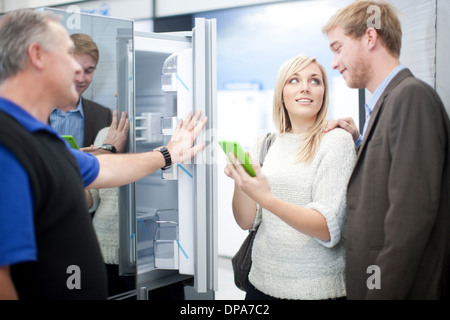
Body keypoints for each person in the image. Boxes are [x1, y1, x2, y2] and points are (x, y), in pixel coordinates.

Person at [0, 9, 207, 300]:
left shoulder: (40, 141)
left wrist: (168, 153)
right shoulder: (7, 144)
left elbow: (103, 170)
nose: (79, 71)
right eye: (69, 54)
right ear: (37, 55)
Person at [322, 0, 450, 299]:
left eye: (338, 48)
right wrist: (359, 142)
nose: (334, 63)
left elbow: (411, 218)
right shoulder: (388, 103)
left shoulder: (411, 97)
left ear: (370, 37)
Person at [224, 55, 356, 300]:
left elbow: (326, 228)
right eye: (294, 80)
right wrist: (241, 182)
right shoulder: (266, 143)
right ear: (281, 93)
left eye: (314, 81)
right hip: (260, 285)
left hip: (317, 290)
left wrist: (266, 198)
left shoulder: (337, 141)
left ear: (323, 93)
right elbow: (246, 222)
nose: (305, 87)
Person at [49, 33, 113, 149]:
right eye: (75, 70)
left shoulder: (103, 116)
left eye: (88, 71)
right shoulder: (29, 111)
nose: (81, 79)